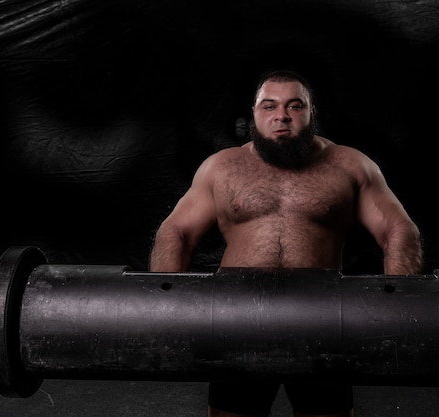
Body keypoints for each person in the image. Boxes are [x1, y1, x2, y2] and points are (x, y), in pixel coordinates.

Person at [149, 69, 423, 417]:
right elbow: (176, 232)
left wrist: (401, 313)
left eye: (295, 106)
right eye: (269, 106)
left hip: (323, 319)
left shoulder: (351, 165)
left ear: (311, 113)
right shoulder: (221, 167)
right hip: (238, 317)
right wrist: (166, 311)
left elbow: (399, 230)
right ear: (254, 114)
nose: (281, 115)